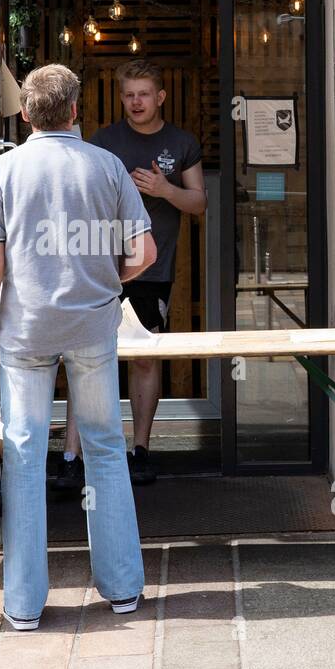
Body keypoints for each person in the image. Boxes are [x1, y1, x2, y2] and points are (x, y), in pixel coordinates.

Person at [0, 63, 159, 631]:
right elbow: (145, 252)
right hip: (92, 327)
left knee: (25, 457)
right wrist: (105, 283)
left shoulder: (2, 170)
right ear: (77, 110)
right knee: (105, 447)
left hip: (25, 333)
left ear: (26, 114)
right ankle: (123, 588)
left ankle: (24, 604)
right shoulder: (107, 167)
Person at [60, 58, 206, 488]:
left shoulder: (181, 142)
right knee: (83, 357)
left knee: (144, 356)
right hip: (99, 269)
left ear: (160, 97)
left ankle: (140, 449)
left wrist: (165, 189)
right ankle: (72, 455)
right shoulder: (103, 141)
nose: (136, 101)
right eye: (129, 94)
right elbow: (78, 197)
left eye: (144, 94)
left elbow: (199, 203)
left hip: (153, 269)